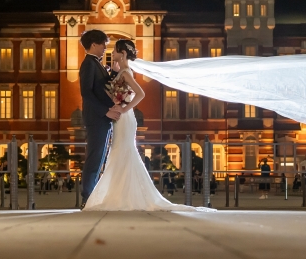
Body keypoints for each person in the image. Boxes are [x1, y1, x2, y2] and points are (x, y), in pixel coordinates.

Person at [83, 39, 213, 212]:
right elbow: (119, 92)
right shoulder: (121, 71)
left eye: (114, 51)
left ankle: (122, 196)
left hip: (124, 117)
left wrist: (124, 109)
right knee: (120, 152)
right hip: (122, 118)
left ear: (122, 54)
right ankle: (122, 195)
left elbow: (141, 93)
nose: (111, 53)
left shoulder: (126, 72)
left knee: (122, 152)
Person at [78, 29, 120, 209]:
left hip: (100, 118)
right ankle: (87, 197)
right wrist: (105, 111)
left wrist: (114, 73)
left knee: (99, 157)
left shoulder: (96, 64)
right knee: (95, 158)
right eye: (103, 44)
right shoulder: (89, 64)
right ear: (94, 44)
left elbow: (101, 87)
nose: (105, 48)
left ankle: (91, 197)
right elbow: (86, 92)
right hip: (96, 117)